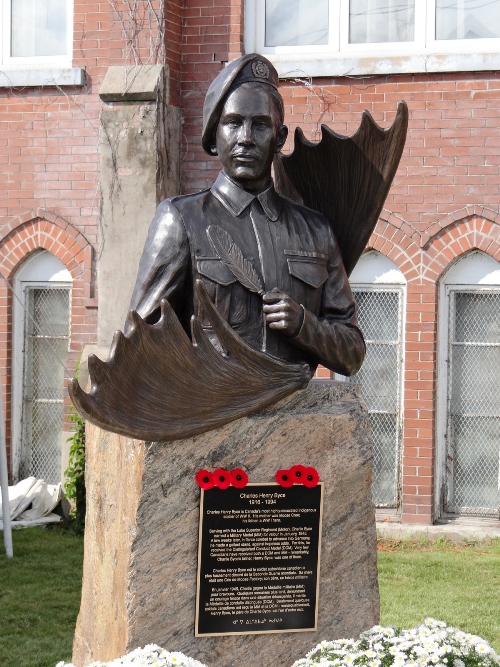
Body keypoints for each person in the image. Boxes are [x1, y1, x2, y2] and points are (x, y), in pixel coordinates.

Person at [127, 54, 365, 377]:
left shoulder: (315, 232)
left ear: (279, 138)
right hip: (214, 412)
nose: (246, 138)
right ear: (214, 136)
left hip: (295, 413)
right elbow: (139, 343)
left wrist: (303, 324)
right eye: (234, 123)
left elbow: (352, 353)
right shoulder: (182, 220)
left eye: (260, 125)